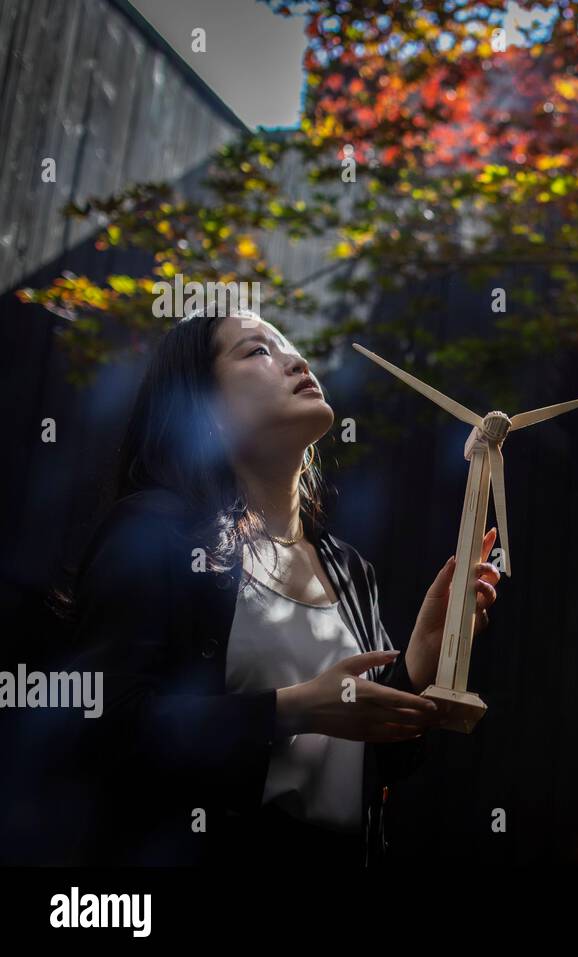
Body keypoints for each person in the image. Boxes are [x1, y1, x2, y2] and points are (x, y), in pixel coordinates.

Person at [52, 307, 501, 866]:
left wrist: (422, 660)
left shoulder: (349, 568)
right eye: (258, 351)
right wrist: (287, 711)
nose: (297, 360)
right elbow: (96, 724)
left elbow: (370, 763)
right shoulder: (156, 531)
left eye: (290, 346)